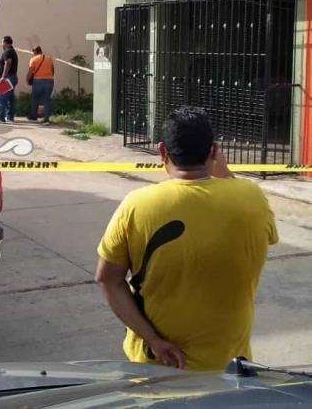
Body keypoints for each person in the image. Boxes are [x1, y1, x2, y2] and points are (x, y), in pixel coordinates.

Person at [95, 107, 278, 372]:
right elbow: (269, 233)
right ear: (214, 151)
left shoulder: (136, 206)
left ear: (161, 152)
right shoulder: (252, 198)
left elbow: (107, 279)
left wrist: (155, 341)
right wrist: (225, 174)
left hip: (157, 366)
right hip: (229, 368)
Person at [27, 46, 55, 124]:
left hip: (38, 81)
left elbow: (30, 71)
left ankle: (33, 116)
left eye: (33, 52)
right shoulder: (49, 58)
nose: (33, 53)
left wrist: (27, 79)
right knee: (46, 100)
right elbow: (52, 71)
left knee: (35, 98)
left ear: (35, 52)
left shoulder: (33, 59)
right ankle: (46, 119)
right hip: (49, 81)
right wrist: (48, 77)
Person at [0, 35, 18, 123]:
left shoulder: (7, 52)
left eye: (2, 42)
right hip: (12, 77)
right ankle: (10, 117)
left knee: (1, 98)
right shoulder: (12, 51)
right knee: (10, 99)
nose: (1, 44)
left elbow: (8, 63)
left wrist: (3, 77)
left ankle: (0, 118)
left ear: (5, 42)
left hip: (7, 78)